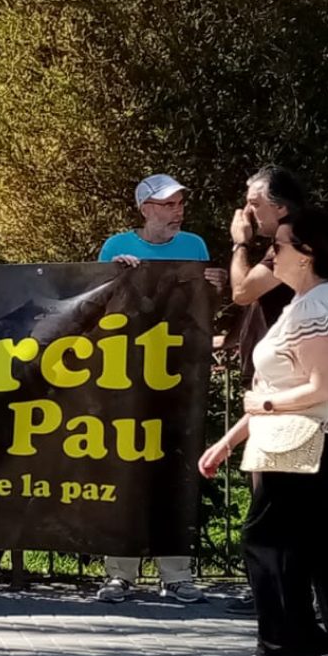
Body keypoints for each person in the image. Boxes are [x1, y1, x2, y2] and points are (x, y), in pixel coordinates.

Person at [199, 207, 328, 656]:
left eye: (281, 246)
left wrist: (264, 402)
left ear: (307, 254)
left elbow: (321, 386)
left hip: (307, 440)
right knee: (310, 551)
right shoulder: (306, 302)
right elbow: (287, 383)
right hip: (303, 437)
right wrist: (229, 441)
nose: (272, 252)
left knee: (266, 542)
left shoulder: (316, 305)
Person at [96, 173, 226, 605]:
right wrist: (118, 276)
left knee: (176, 471)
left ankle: (177, 573)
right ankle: (120, 573)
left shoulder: (195, 247)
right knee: (125, 472)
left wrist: (217, 286)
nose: (177, 210)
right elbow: (97, 304)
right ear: (145, 208)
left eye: (180, 203)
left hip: (179, 379)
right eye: (168, 204)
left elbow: (203, 312)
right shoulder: (116, 247)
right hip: (127, 377)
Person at [223, 165, 307, 614]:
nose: (246, 211)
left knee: (275, 494)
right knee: (268, 490)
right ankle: (276, 588)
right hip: (275, 373)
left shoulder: (291, 243)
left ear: (280, 206)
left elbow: (242, 290)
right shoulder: (288, 240)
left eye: (254, 203)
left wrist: (240, 243)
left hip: (290, 382)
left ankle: (283, 596)